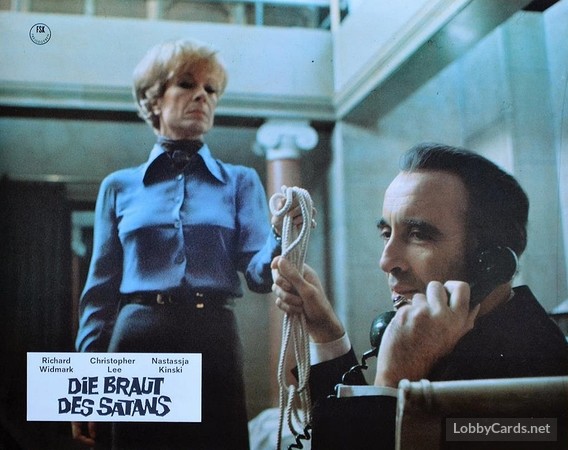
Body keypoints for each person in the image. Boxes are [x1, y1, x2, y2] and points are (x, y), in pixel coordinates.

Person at [72, 39, 297, 450]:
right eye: (187, 84)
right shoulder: (118, 187)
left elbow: (260, 275)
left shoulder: (240, 181)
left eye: (211, 89)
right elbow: (99, 297)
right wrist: (86, 388)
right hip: (137, 340)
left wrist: (283, 234)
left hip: (213, 341)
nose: (202, 96)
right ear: (154, 99)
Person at [271, 143, 568, 447]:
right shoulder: (454, 332)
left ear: (489, 262)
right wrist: (326, 333)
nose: (386, 261)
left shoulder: (530, 371)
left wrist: (391, 381)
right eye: (387, 233)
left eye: (418, 235)